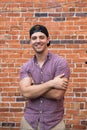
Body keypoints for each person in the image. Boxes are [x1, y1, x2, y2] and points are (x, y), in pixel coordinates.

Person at [20, 24, 70, 130]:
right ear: (30, 42)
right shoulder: (26, 66)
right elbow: (26, 93)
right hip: (29, 123)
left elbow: (57, 94)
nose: (38, 41)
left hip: (54, 124)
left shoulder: (60, 63)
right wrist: (51, 83)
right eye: (34, 38)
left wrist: (33, 87)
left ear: (48, 40)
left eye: (41, 37)